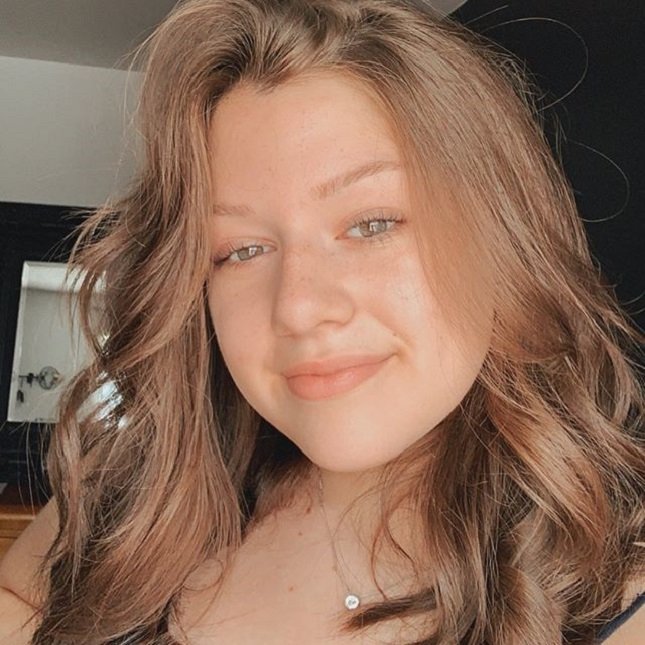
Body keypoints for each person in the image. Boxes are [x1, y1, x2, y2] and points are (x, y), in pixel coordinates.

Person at [1, 0, 643, 643]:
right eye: (240, 250)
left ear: (502, 238)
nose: (298, 307)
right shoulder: (133, 504)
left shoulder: (615, 598)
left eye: (372, 224)